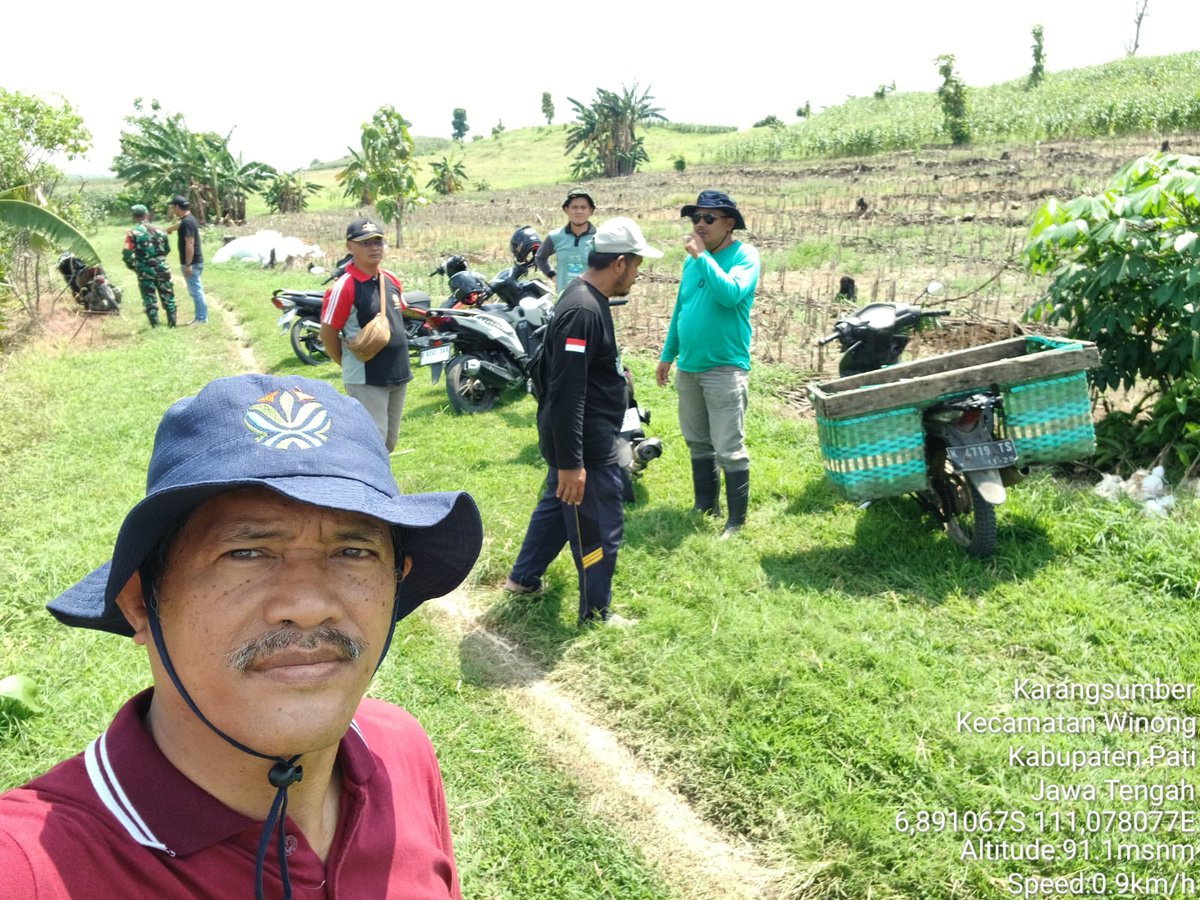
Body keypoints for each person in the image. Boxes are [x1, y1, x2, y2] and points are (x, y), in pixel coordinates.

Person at [0, 373, 483, 899]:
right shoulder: (34, 867)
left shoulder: (399, 747)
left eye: (354, 552)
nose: (308, 606)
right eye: (246, 553)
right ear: (141, 603)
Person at [506, 218, 662, 625]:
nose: (637, 275)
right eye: (637, 266)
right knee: (600, 529)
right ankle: (596, 613)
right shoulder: (582, 310)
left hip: (579, 438)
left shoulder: (585, 297)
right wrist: (573, 463)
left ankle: (523, 579)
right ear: (620, 263)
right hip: (589, 445)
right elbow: (567, 392)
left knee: (555, 508)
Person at [655, 190, 760, 536]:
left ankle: (736, 520)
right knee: (697, 441)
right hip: (690, 366)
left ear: (729, 223)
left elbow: (730, 295)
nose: (700, 224)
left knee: (729, 447)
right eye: (696, 218)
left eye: (709, 218)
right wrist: (668, 355)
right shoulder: (692, 261)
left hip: (725, 367)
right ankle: (706, 505)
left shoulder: (745, 256)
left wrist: (702, 258)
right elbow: (681, 309)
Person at [319, 217, 413, 452]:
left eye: (378, 242)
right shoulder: (345, 286)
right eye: (366, 243)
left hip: (398, 373)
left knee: (389, 443)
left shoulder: (389, 279)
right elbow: (328, 332)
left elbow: (400, 312)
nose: (374, 248)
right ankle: (368, 487)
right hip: (367, 377)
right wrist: (345, 362)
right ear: (350, 247)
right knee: (372, 443)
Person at [122, 203, 177, 328]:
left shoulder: (132, 234)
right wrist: (160, 260)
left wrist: (135, 267)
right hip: (162, 267)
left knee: (149, 297)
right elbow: (167, 249)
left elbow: (126, 254)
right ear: (147, 215)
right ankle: (172, 324)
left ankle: (155, 326)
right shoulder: (161, 230)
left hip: (144, 270)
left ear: (134, 217)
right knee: (168, 295)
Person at [534, 188, 597, 293]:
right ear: (566, 209)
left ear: (591, 211)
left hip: (591, 297)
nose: (579, 211)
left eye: (583, 207)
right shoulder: (555, 236)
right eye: (574, 207)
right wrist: (552, 276)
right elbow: (540, 257)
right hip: (564, 298)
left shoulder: (600, 238)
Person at [169, 195, 208, 325]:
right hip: (196, 261)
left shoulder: (187, 222)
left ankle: (201, 319)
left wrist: (188, 264)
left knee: (196, 291)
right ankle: (200, 317)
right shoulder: (189, 219)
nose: (172, 210)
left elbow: (189, 244)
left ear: (177, 207)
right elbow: (179, 225)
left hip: (193, 262)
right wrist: (168, 230)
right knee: (195, 290)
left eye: (172, 207)